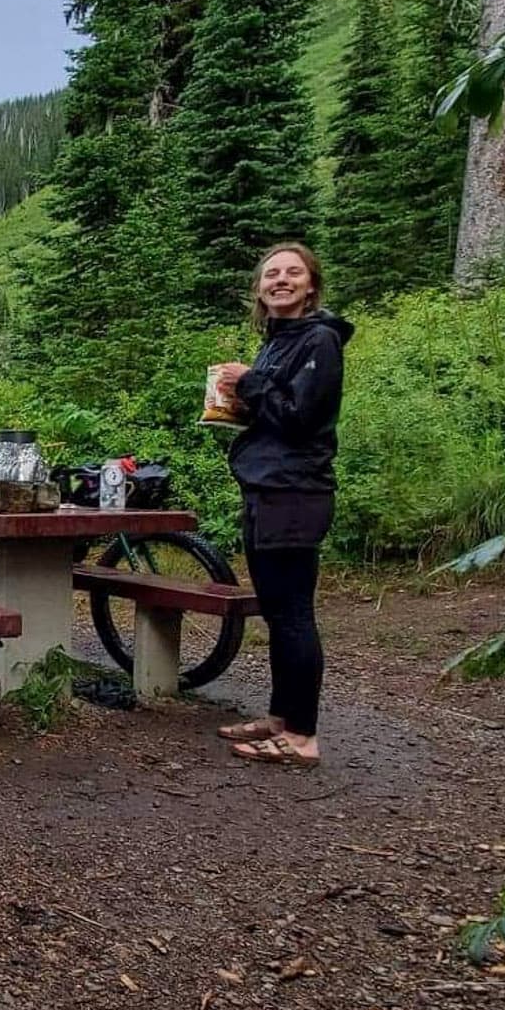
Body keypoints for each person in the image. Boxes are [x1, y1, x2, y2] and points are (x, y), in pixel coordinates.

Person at [211, 243, 352, 768]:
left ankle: (302, 737)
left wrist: (248, 380)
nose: (281, 280)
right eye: (272, 274)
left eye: (293, 273)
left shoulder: (319, 339)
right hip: (267, 489)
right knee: (276, 611)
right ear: (260, 289)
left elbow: (299, 417)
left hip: (296, 492)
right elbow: (273, 413)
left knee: (293, 614)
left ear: (311, 285)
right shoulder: (279, 341)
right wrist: (236, 402)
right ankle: (279, 718)